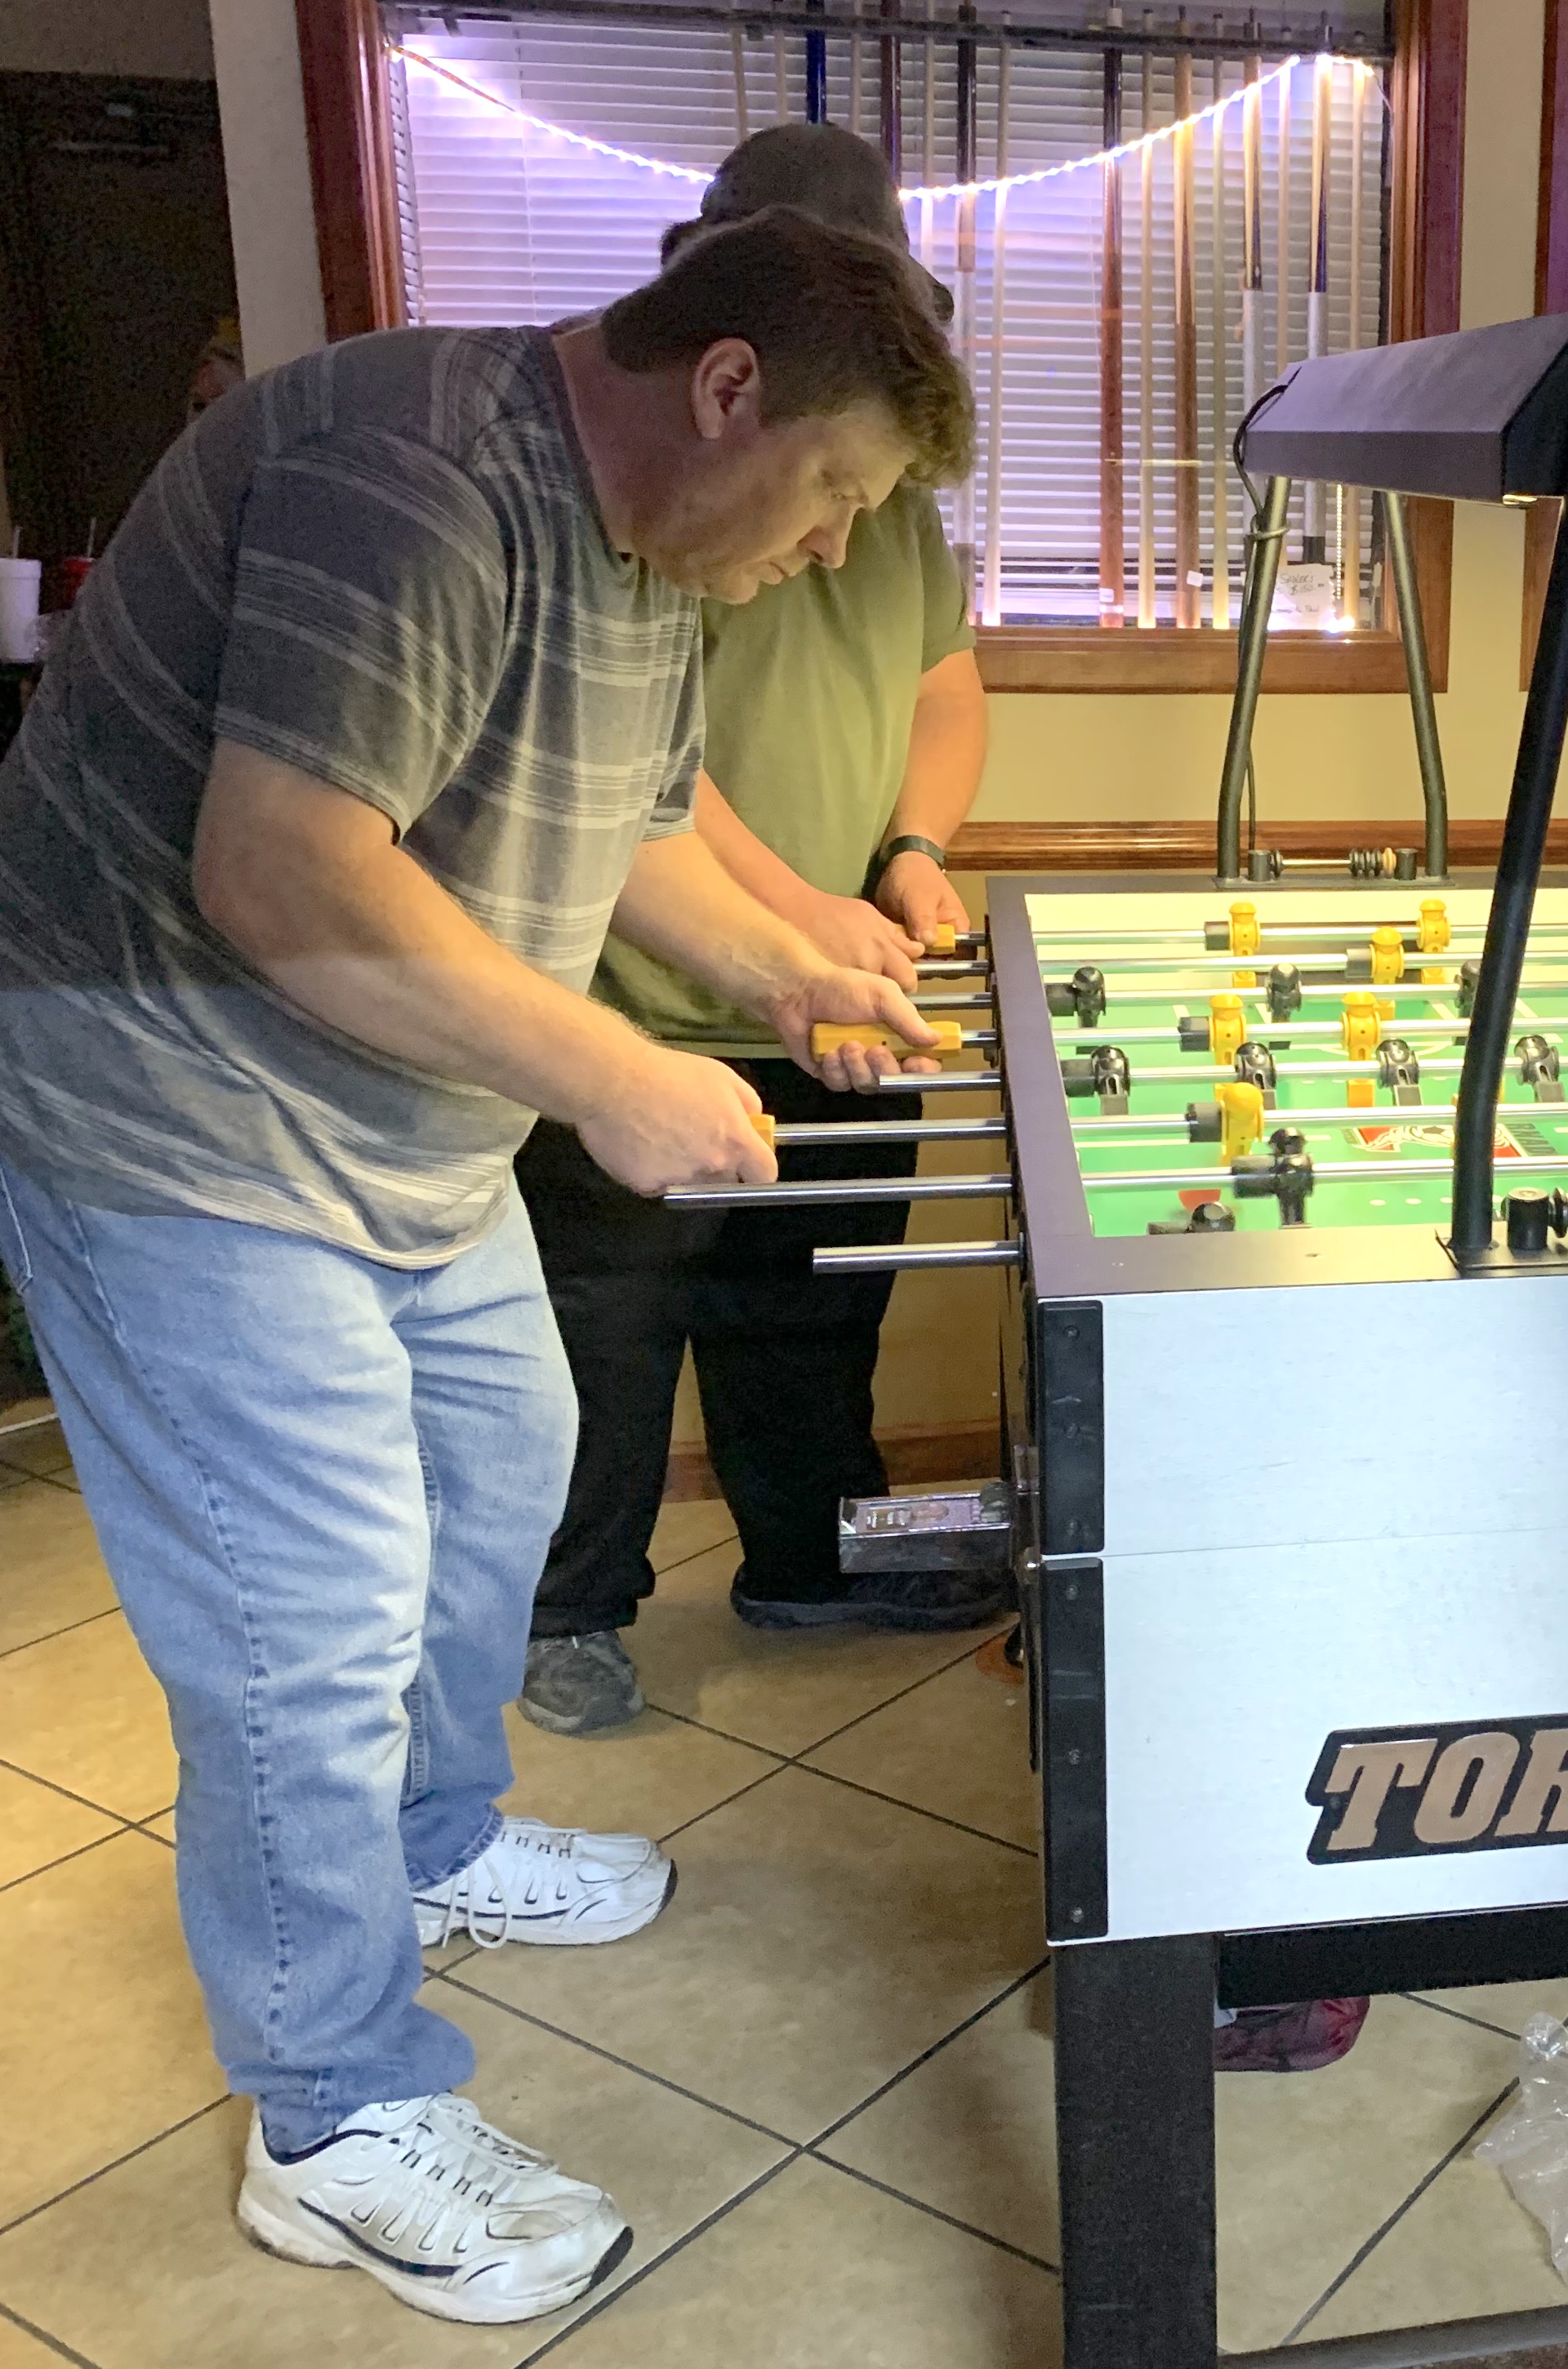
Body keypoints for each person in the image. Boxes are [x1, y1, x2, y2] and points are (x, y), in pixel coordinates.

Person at [0, 209, 969, 2322]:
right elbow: (284, 867)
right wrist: (608, 1072)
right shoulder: (404, 472)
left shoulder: (649, 546)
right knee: (300, 1619)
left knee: (500, 1465)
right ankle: (332, 2111)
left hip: (382, 1112)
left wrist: (790, 962)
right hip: (156, 1106)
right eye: (841, 492)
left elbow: (639, 809)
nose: (843, 548)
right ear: (730, 387)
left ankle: (422, 1831)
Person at [520, 127, 996, 1739]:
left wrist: (915, 856)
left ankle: (811, 1558)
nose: (839, 531)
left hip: (843, 996)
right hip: (640, 999)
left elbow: (944, 691)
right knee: (604, 1336)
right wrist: (806, 925)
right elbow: (643, 777)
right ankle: (566, 1611)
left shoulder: (891, 500)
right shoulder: (651, 489)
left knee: (811, 1310)